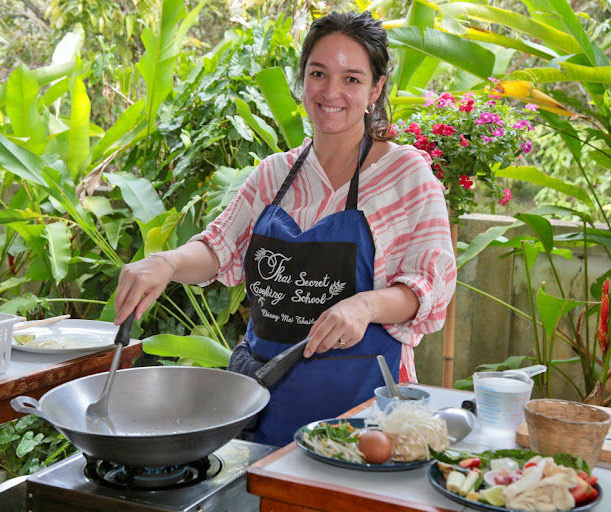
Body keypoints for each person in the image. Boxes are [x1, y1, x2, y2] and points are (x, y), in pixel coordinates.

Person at [114, 11, 456, 447]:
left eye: (352, 78)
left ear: (376, 89)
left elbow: (430, 287)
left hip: (363, 409)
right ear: (303, 80)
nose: (332, 92)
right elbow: (219, 251)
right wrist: (164, 262)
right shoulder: (273, 174)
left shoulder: (404, 175)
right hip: (265, 397)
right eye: (319, 73)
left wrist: (365, 306)